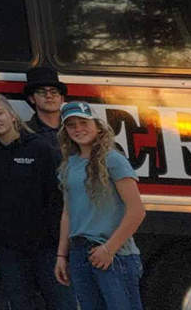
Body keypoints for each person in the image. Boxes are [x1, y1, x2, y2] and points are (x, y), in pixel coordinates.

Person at [0, 94, 74, 310]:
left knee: (62, 303)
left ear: (11, 114)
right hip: (8, 251)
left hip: (46, 247)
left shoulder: (40, 148)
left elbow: (59, 200)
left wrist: (61, 249)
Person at [54, 102, 146, 310]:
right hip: (79, 253)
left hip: (114, 255)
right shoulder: (68, 165)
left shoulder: (113, 160)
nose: (78, 129)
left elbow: (137, 211)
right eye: (71, 125)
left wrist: (109, 249)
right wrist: (62, 255)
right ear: (65, 132)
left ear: (97, 125)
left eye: (84, 122)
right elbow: (68, 213)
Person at [23, 67, 66, 145]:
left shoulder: (73, 127)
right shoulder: (24, 132)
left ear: (62, 99)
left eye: (54, 92)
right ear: (32, 99)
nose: (49, 96)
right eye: (42, 92)